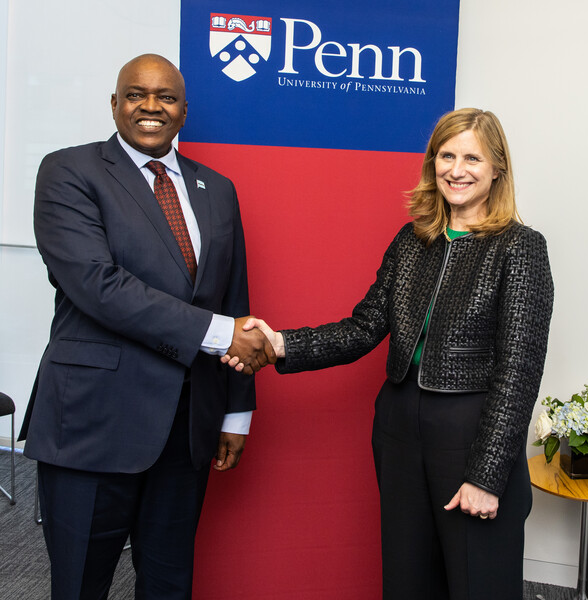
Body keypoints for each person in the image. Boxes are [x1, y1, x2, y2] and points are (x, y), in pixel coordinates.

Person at [225, 108, 554, 599]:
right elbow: (363, 328)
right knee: (407, 578)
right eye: (446, 155)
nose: (456, 169)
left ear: (497, 168)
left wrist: (486, 476)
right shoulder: (412, 240)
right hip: (399, 425)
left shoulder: (521, 248)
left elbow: (520, 370)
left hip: (471, 428)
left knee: (478, 581)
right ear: (432, 162)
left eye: (472, 158)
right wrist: (280, 345)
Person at [19, 54, 275, 600]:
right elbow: (97, 284)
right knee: (80, 583)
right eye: (136, 95)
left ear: (185, 110)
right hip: (93, 422)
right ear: (115, 104)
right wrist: (220, 333)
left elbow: (235, 299)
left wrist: (236, 410)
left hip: (187, 429)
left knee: (169, 582)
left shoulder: (218, 189)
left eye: (166, 97)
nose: (151, 107)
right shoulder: (69, 171)